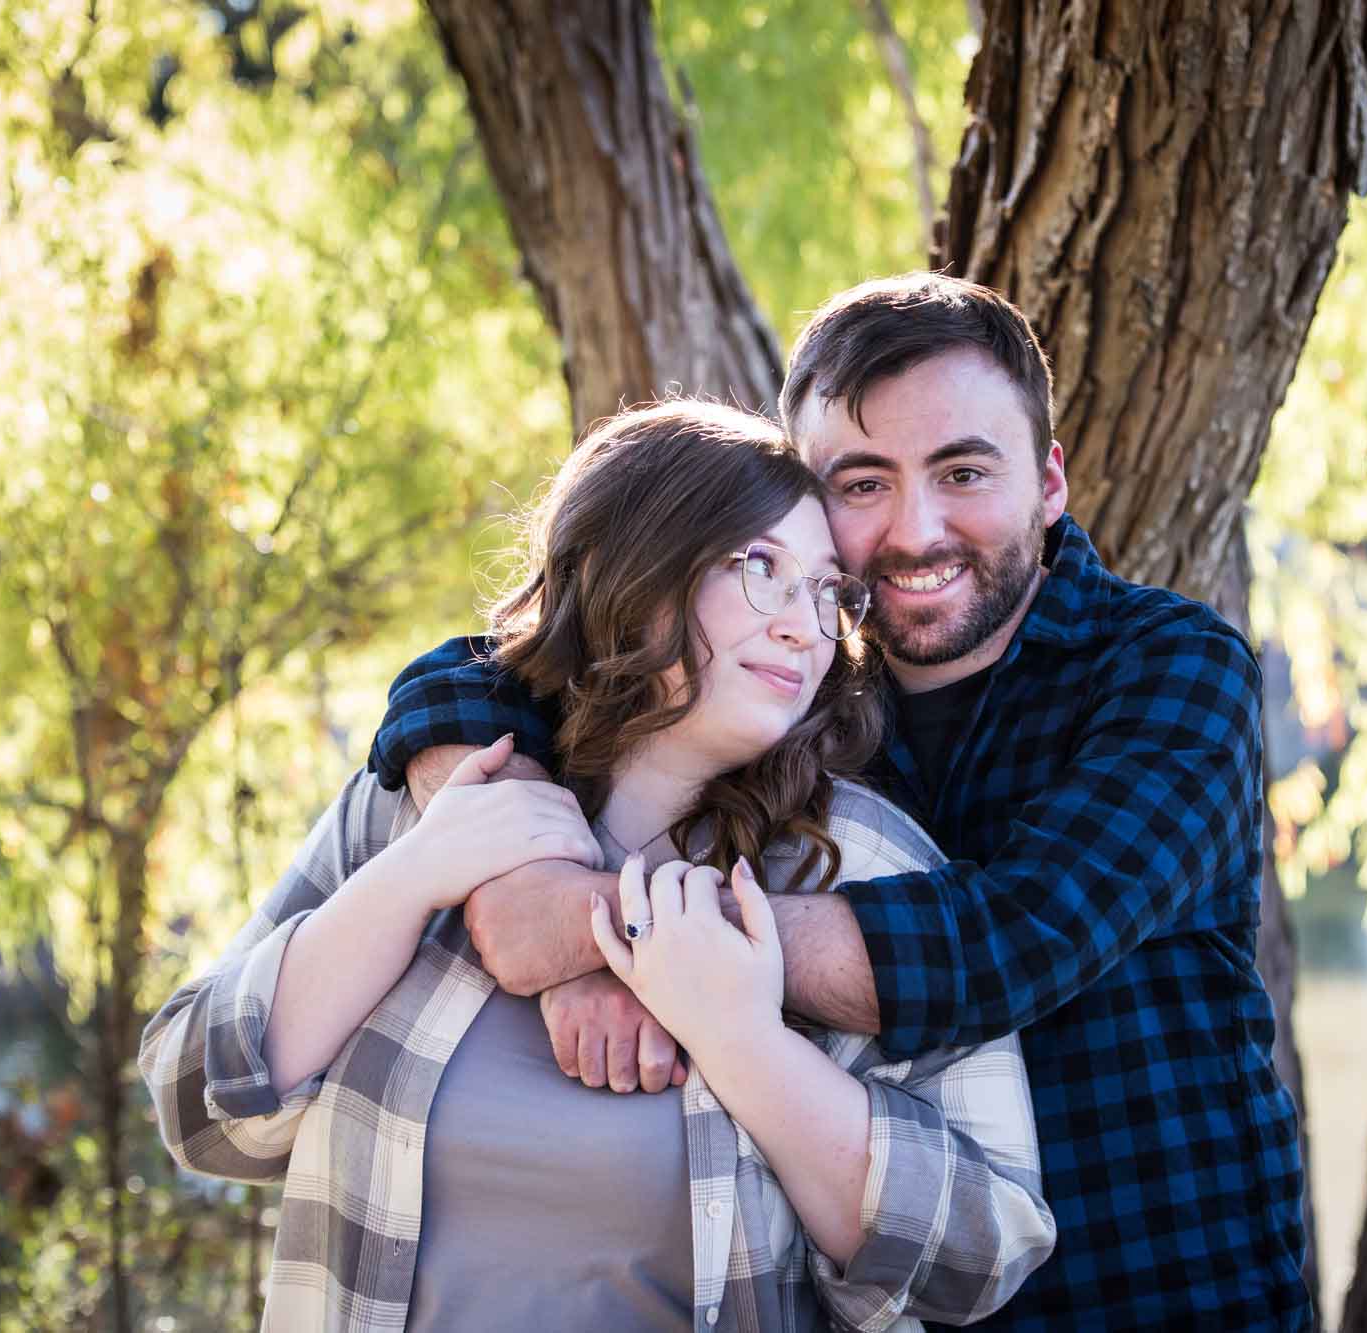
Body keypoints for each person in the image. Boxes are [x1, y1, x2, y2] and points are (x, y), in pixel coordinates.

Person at [368, 275, 1311, 1329]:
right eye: (860, 484)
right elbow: (473, 675)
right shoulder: (789, 691)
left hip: (1156, 1290)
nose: (915, 530)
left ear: (1047, 482)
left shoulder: (1169, 669)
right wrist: (524, 874)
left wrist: (621, 943)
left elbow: (1002, 944)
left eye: (961, 471)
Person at [139, 400, 1055, 1333]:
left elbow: (984, 1251)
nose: (804, 628)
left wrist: (741, 1040)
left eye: (826, 592)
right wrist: (417, 874)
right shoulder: (425, 798)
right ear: (642, 567)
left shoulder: (861, 860)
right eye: (762, 569)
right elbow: (197, 1108)